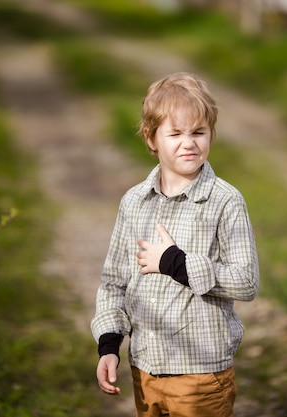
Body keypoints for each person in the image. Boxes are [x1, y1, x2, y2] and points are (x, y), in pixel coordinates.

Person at [91, 72, 260, 417]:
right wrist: (109, 344)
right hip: (145, 370)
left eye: (198, 132)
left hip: (200, 375)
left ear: (211, 134)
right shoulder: (135, 201)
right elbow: (113, 282)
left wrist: (176, 263)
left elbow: (246, 282)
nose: (189, 143)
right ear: (152, 139)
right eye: (175, 133)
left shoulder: (224, 201)